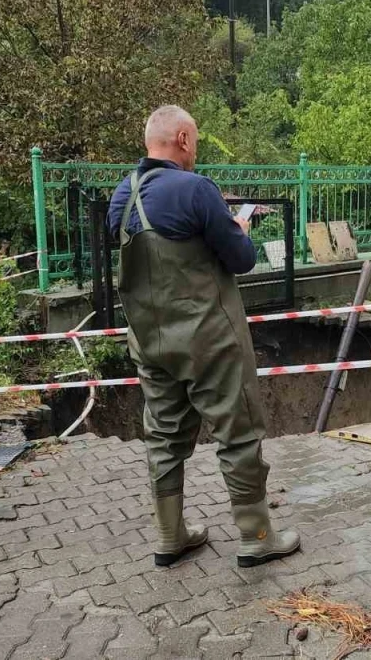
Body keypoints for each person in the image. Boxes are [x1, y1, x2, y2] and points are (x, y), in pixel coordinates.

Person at [108, 105, 300, 568]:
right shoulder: (197, 190)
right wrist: (240, 229)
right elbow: (240, 260)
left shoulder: (122, 195)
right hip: (209, 340)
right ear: (182, 140)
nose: (195, 149)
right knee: (237, 432)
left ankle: (170, 535)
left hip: (151, 342)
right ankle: (256, 535)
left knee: (164, 435)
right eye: (194, 140)